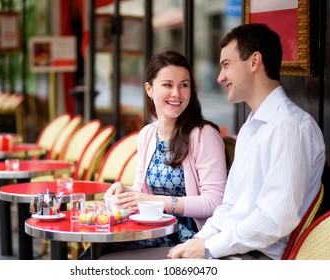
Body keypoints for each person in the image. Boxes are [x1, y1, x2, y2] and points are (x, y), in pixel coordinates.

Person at [100, 23, 326, 260]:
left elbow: (275, 219)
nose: (219, 77)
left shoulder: (290, 126)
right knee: (106, 258)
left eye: (226, 65)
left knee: (111, 263)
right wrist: (199, 242)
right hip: (228, 249)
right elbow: (227, 208)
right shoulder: (251, 127)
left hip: (253, 257)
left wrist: (209, 247)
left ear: (254, 62)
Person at [89, 50, 227, 259]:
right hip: (151, 228)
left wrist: (159, 202)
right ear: (149, 89)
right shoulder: (147, 134)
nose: (177, 94)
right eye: (167, 85)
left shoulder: (203, 135)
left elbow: (215, 201)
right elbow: (141, 190)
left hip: (189, 239)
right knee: (97, 250)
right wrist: (125, 191)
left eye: (184, 85)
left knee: (105, 257)